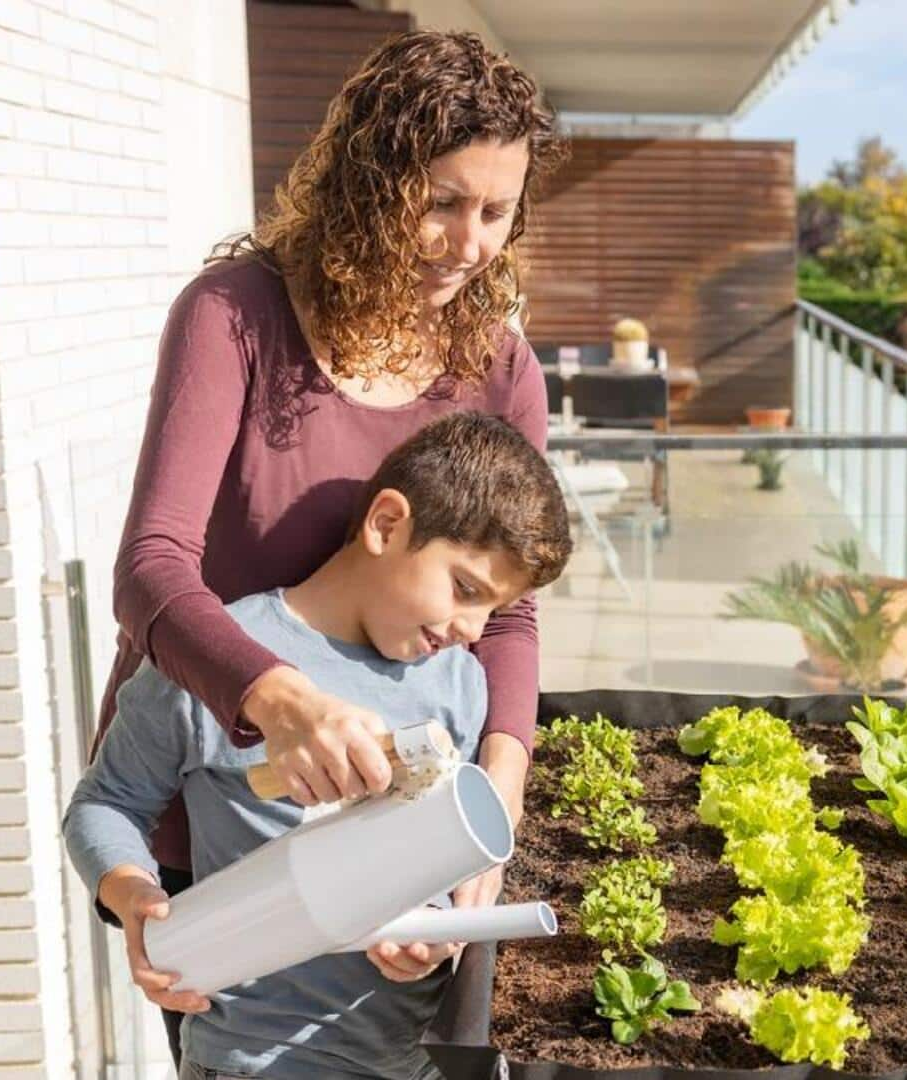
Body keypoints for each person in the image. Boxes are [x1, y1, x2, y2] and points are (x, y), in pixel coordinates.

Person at [95, 30, 565, 1060]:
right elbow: (151, 569)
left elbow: (513, 616)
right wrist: (283, 702)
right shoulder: (236, 316)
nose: (470, 242)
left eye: (496, 211)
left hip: (400, 828)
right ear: (370, 179)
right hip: (224, 800)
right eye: (442, 201)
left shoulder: (500, 368)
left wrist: (493, 812)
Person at [66, 413, 574, 1079]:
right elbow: (105, 803)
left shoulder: (460, 685)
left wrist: (438, 936)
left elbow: (449, 859)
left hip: (416, 1059)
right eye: (466, 589)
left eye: (492, 610)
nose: (472, 627)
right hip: (260, 1058)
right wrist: (133, 894)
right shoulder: (220, 663)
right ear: (386, 525)